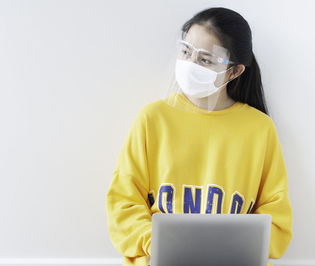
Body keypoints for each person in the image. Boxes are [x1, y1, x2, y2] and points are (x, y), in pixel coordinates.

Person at [106, 7, 293, 266]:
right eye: (185, 52)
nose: (190, 64)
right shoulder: (152, 119)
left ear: (234, 71)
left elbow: (277, 216)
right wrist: (156, 244)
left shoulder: (260, 129)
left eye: (205, 59)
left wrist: (237, 248)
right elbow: (123, 203)